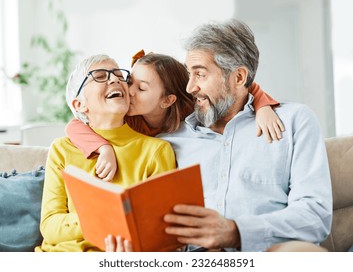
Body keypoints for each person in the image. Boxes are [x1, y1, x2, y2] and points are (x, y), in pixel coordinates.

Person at [159, 18, 332, 252]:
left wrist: (235, 232)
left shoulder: (294, 122)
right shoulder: (169, 139)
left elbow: (314, 217)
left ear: (239, 77)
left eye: (200, 75)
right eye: (189, 74)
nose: (190, 88)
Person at [66, 51, 284, 182]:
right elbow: (75, 125)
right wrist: (104, 148)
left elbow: (235, 86)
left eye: (141, 89)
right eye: (130, 81)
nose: (128, 90)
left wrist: (263, 105)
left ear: (167, 100)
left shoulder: (191, 114)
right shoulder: (128, 118)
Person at [35, 54, 176, 252]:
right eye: (100, 76)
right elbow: (50, 227)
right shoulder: (62, 149)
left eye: (119, 75)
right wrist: (106, 217)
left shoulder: (156, 150)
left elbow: (159, 230)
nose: (114, 79)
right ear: (79, 105)